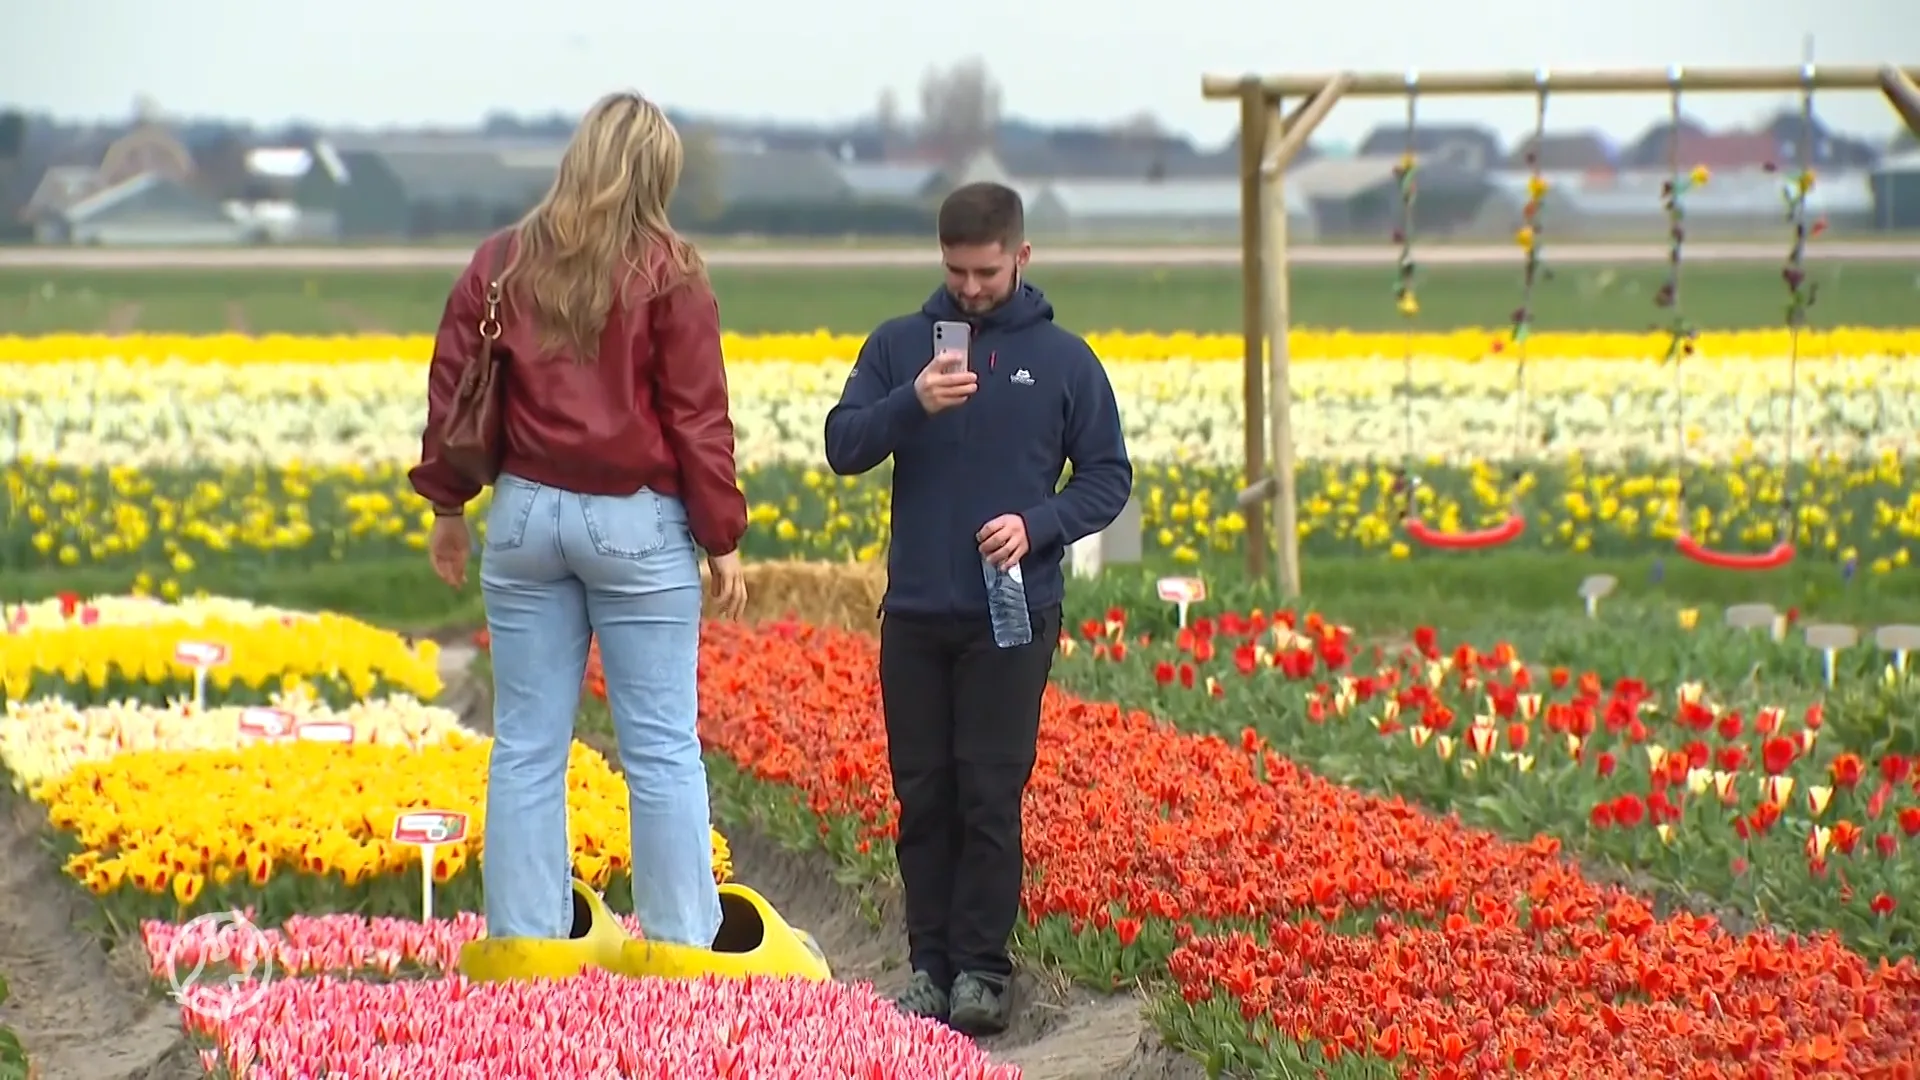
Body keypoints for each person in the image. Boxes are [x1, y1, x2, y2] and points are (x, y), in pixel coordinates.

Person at [408, 91, 750, 951]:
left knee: (526, 746)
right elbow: (696, 415)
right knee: (662, 750)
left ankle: (527, 946)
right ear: (655, 176)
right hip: (634, 525)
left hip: (523, 515)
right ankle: (679, 948)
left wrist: (449, 506)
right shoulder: (669, 272)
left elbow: (455, 387)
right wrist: (721, 536)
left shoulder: (503, 262)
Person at [822, 181, 1132, 1034]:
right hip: (918, 611)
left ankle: (983, 976)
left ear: (1021, 258)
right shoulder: (897, 346)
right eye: (955, 271)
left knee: (989, 793)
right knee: (923, 795)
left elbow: (1110, 478)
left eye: (986, 272)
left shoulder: (1065, 361)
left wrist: (1037, 525)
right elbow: (842, 444)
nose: (968, 288)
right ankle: (930, 966)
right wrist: (909, 402)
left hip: (1013, 613)